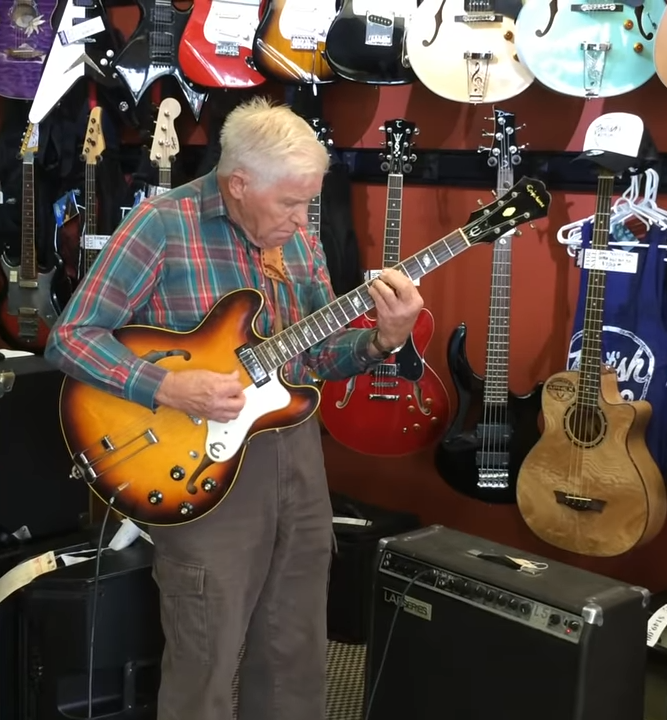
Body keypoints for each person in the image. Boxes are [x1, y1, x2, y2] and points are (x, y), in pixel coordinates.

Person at [45, 96, 425, 720]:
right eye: (292, 203)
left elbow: (317, 356)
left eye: (310, 202)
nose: (305, 220)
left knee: (296, 643)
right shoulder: (162, 225)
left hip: (294, 453)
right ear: (239, 183)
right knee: (206, 654)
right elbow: (71, 336)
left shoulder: (296, 239)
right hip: (195, 460)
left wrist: (384, 338)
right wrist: (165, 387)